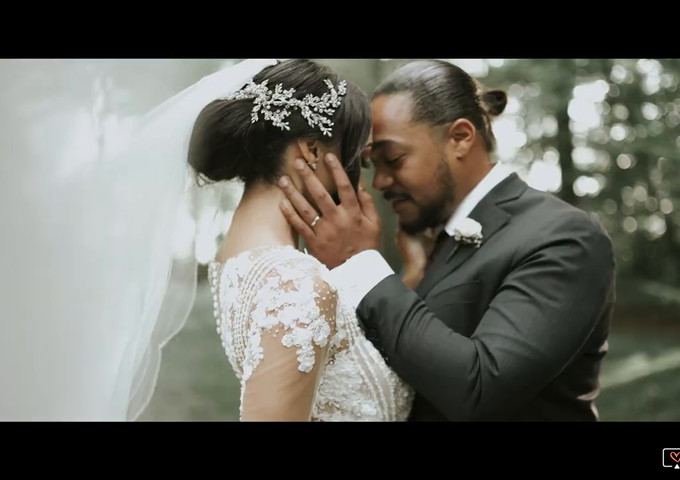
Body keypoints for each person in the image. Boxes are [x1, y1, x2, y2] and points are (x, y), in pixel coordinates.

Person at [278, 59, 616, 421]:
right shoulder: (437, 243)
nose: (380, 182)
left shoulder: (563, 236)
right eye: (376, 165)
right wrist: (412, 280)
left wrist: (360, 262)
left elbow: (481, 388)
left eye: (394, 158)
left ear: (460, 138)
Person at [188, 59, 412, 421]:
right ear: (311, 151)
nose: (362, 179)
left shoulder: (238, 262)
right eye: (358, 158)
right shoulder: (297, 284)